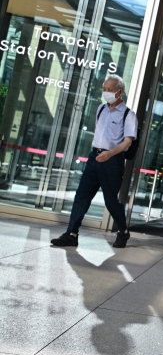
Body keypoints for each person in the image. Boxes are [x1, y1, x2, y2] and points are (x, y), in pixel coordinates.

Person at [51, 74, 137, 248]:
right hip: (94, 158)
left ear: (120, 92)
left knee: (111, 200)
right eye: (104, 89)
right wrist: (98, 155)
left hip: (113, 160)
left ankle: (123, 231)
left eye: (110, 90)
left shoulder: (128, 115)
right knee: (82, 196)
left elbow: (128, 141)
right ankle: (71, 234)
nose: (106, 93)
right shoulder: (100, 109)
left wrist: (110, 154)